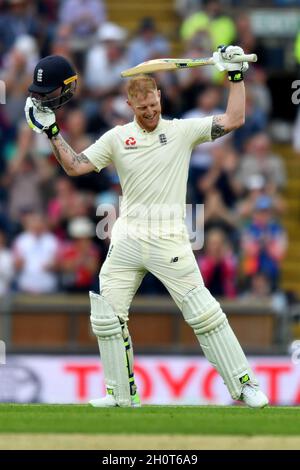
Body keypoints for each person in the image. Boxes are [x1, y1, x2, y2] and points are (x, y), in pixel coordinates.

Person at [24, 49, 269, 408]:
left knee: (204, 314)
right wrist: (52, 133)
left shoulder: (182, 130)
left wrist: (235, 76)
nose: (150, 113)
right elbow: (75, 167)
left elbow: (234, 118)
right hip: (127, 236)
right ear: (130, 106)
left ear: (159, 98)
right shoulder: (117, 138)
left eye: (153, 106)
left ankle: (244, 385)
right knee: (107, 315)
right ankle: (121, 395)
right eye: (142, 110)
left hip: (169, 236)